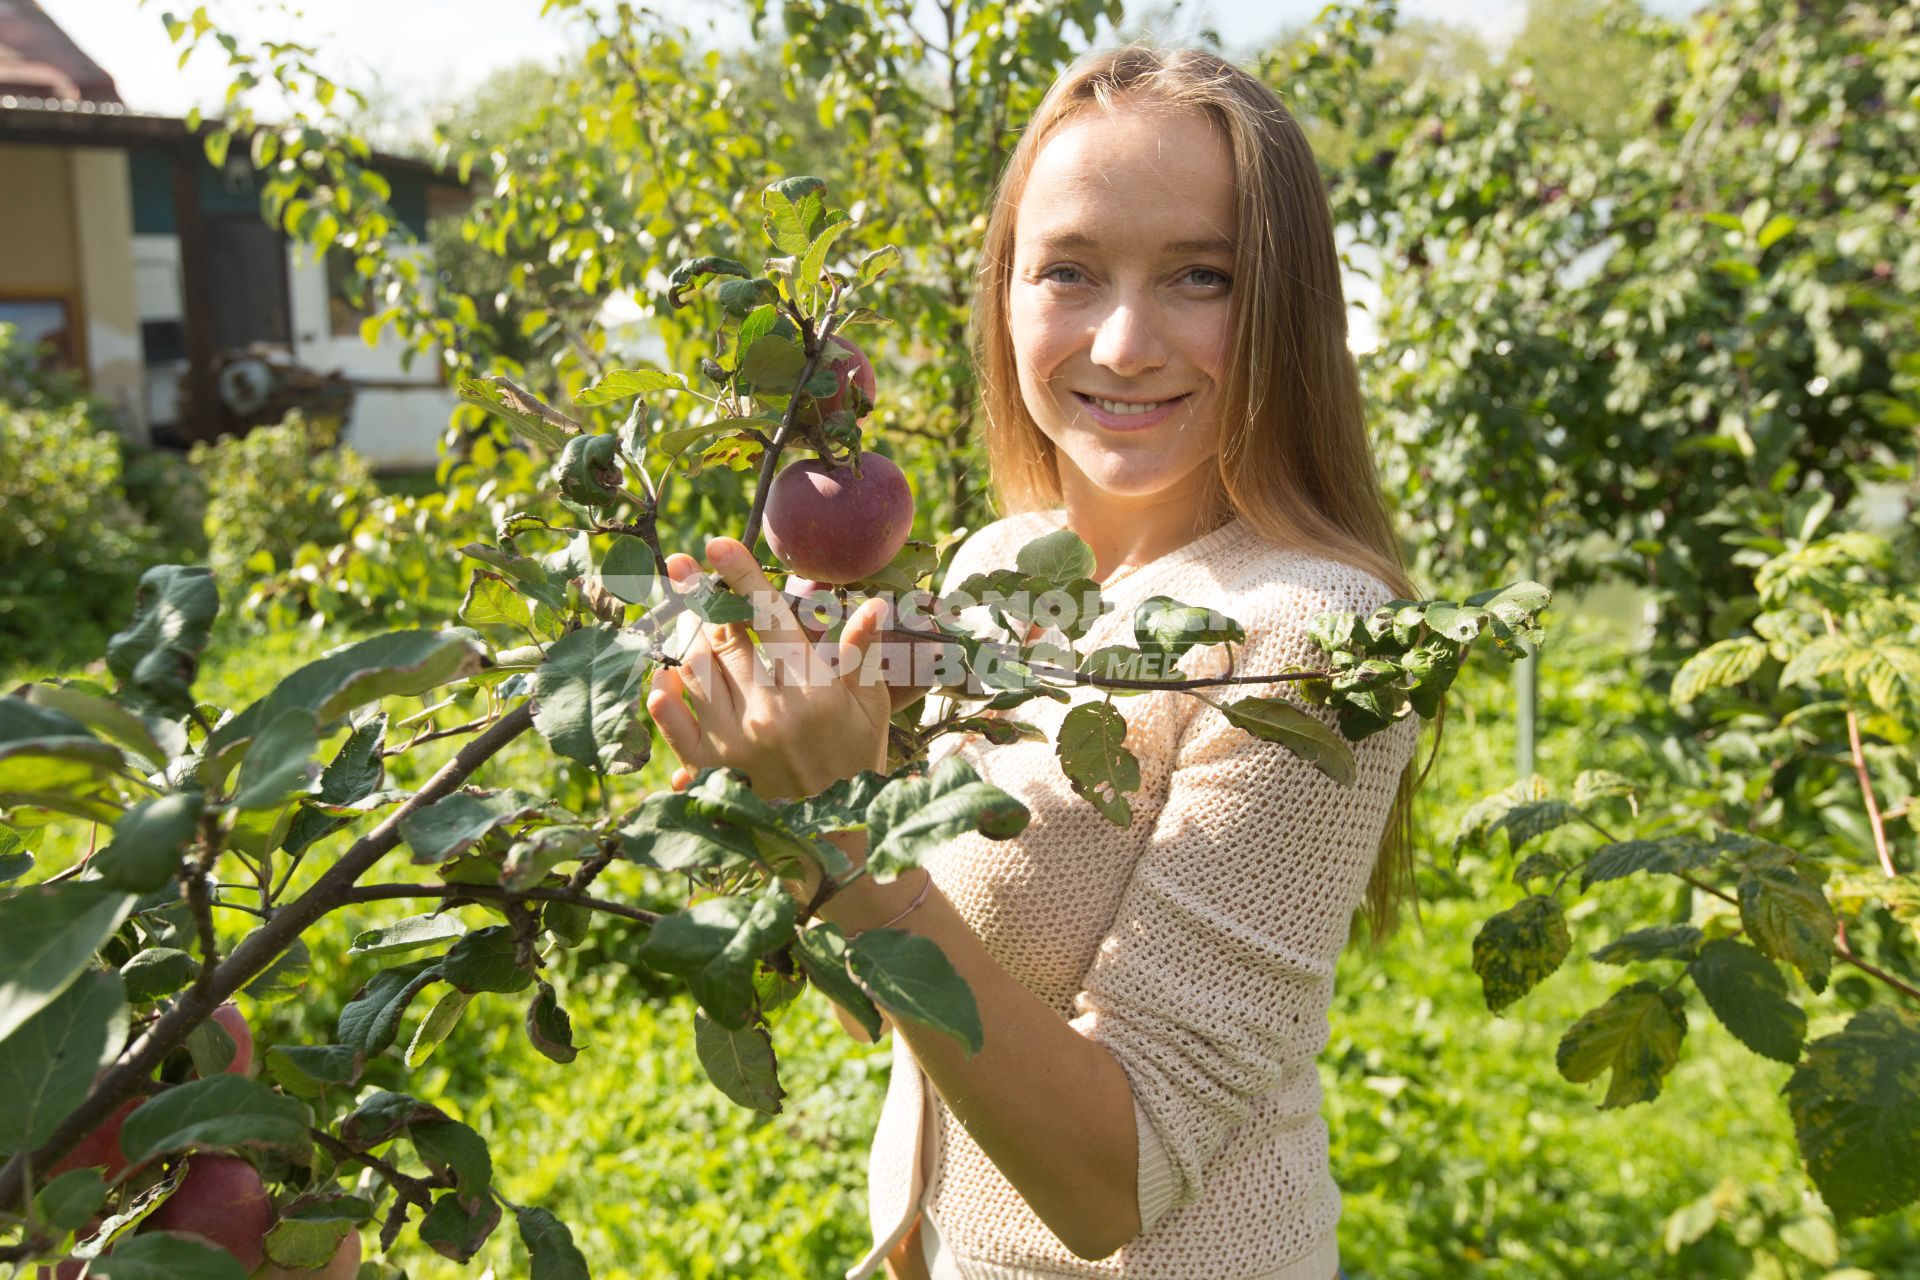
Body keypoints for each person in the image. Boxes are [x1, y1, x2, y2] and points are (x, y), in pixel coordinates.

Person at [644, 42, 1423, 1280]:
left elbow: (1110, 1181)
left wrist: (839, 831)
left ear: (1288, 302)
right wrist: (778, 779)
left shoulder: (1320, 640)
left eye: (1202, 276)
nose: (1122, 342)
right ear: (1004, 293)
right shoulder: (1004, 573)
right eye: (1068, 269)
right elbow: (901, 987)